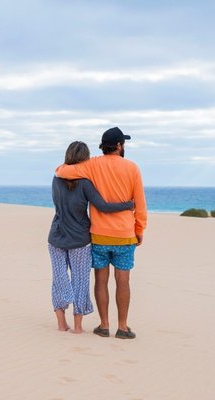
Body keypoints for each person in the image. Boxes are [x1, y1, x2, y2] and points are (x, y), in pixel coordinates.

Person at [55, 127, 147, 339]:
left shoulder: (93, 164)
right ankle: (122, 327)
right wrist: (139, 229)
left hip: (99, 235)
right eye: (123, 143)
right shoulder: (132, 168)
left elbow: (63, 171)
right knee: (123, 281)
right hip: (124, 235)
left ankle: (104, 325)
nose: (124, 146)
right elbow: (140, 205)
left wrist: (61, 166)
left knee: (101, 280)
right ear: (118, 146)